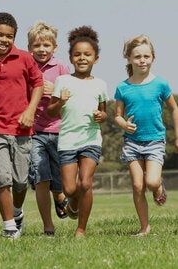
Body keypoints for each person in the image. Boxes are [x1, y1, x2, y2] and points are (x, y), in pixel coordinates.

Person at [0, 12, 43, 239]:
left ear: (15, 38)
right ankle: (9, 228)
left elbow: (38, 84)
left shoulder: (24, 58)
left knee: (20, 181)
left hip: (22, 127)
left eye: (9, 36)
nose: (4, 40)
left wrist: (30, 111)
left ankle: (17, 212)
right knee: (1, 177)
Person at [114, 35, 178, 237]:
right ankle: (144, 227)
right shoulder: (123, 87)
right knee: (137, 185)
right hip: (131, 143)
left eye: (146, 56)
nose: (142, 60)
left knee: (151, 182)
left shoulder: (160, 84)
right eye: (138, 56)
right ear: (129, 59)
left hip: (155, 141)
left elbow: (174, 109)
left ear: (153, 58)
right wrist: (123, 123)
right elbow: (117, 115)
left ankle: (158, 187)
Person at [47, 26, 108, 237]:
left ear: (96, 58)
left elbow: (103, 112)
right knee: (71, 190)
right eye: (77, 54)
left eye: (87, 54)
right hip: (67, 141)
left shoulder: (100, 84)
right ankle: (72, 204)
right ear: (71, 58)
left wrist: (102, 117)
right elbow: (51, 110)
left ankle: (81, 229)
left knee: (85, 183)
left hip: (91, 139)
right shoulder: (63, 81)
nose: (82, 58)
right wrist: (61, 100)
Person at [27, 22, 70, 235]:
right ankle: (48, 226)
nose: (42, 49)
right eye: (37, 45)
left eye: (46, 45)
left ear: (54, 47)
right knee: (41, 177)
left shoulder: (61, 67)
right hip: (35, 132)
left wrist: (56, 90)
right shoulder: (26, 67)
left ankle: (59, 195)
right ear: (29, 48)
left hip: (60, 129)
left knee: (59, 178)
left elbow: (71, 96)